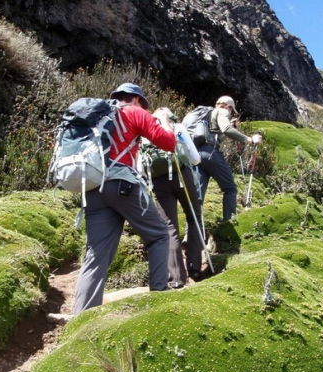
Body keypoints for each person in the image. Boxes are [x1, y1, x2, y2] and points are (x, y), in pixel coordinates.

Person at [73, 83, 177, 313]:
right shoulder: (135, 111)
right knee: (159, 235)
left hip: (92, 186)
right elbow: (168, 143)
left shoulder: (98, 117)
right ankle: (158, 299)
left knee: (96, 254)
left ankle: (81, 316)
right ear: (137, 99)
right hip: (122, 183)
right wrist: (165, 122)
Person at [142, 108, 204, 286]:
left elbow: (140, 166)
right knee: (194, 217)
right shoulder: (177, 127)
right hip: (181, 174)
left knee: (169, 226)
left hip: (158, 181)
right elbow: (195, 158)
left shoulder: (145, 133)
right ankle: (195, 266)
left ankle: (176, 278)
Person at [197, 96, 262, 220]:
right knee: (230, 189)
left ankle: (191, 233)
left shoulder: (204, 113)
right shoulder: (223, 111)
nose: (231, 114)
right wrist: (249, 140)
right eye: (232, 111)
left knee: (198, 195)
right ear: (229, 107)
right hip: (211, 153)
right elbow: (226, 129)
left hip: (195, 155)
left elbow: (215, 131)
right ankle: (230, 222)